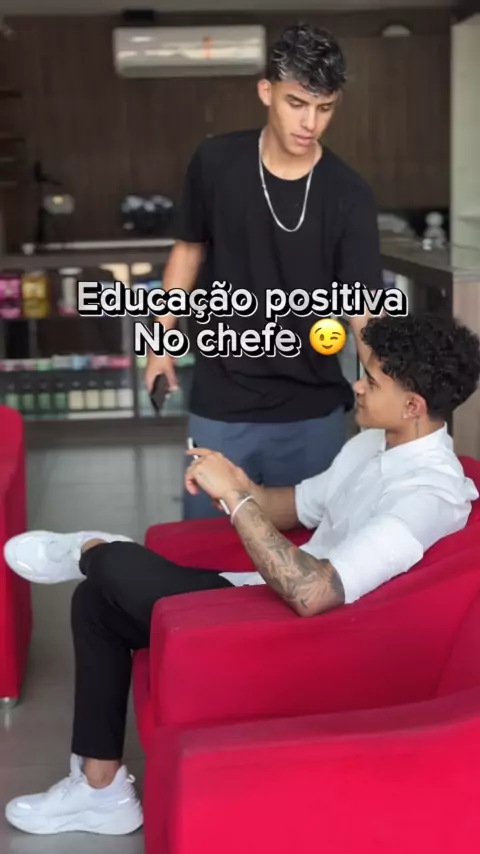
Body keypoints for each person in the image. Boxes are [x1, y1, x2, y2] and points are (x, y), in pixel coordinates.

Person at [4, 312, 480, 836]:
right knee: (97, 603)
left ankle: (93, 549)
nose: (357, 387)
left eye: (372, 380)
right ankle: (101, 793)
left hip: (305, 634)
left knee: (114, 565)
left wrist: (234, 500)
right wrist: (240, 484)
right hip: (269, 593)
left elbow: (315, 593)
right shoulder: (372, 445)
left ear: (413, 406)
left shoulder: (427, 496)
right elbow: (291, 507)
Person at [145, 23, 383, 519]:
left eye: (325, 108)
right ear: (266, 91)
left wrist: (387, 388)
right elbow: (187, 253)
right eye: (297, 103)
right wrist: (159, 345)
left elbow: (363, 308)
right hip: (221, 399)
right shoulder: (215, 162)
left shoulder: (349, 193)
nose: (310, 123)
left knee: (313, 547)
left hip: (312, 407)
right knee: (210, 545)